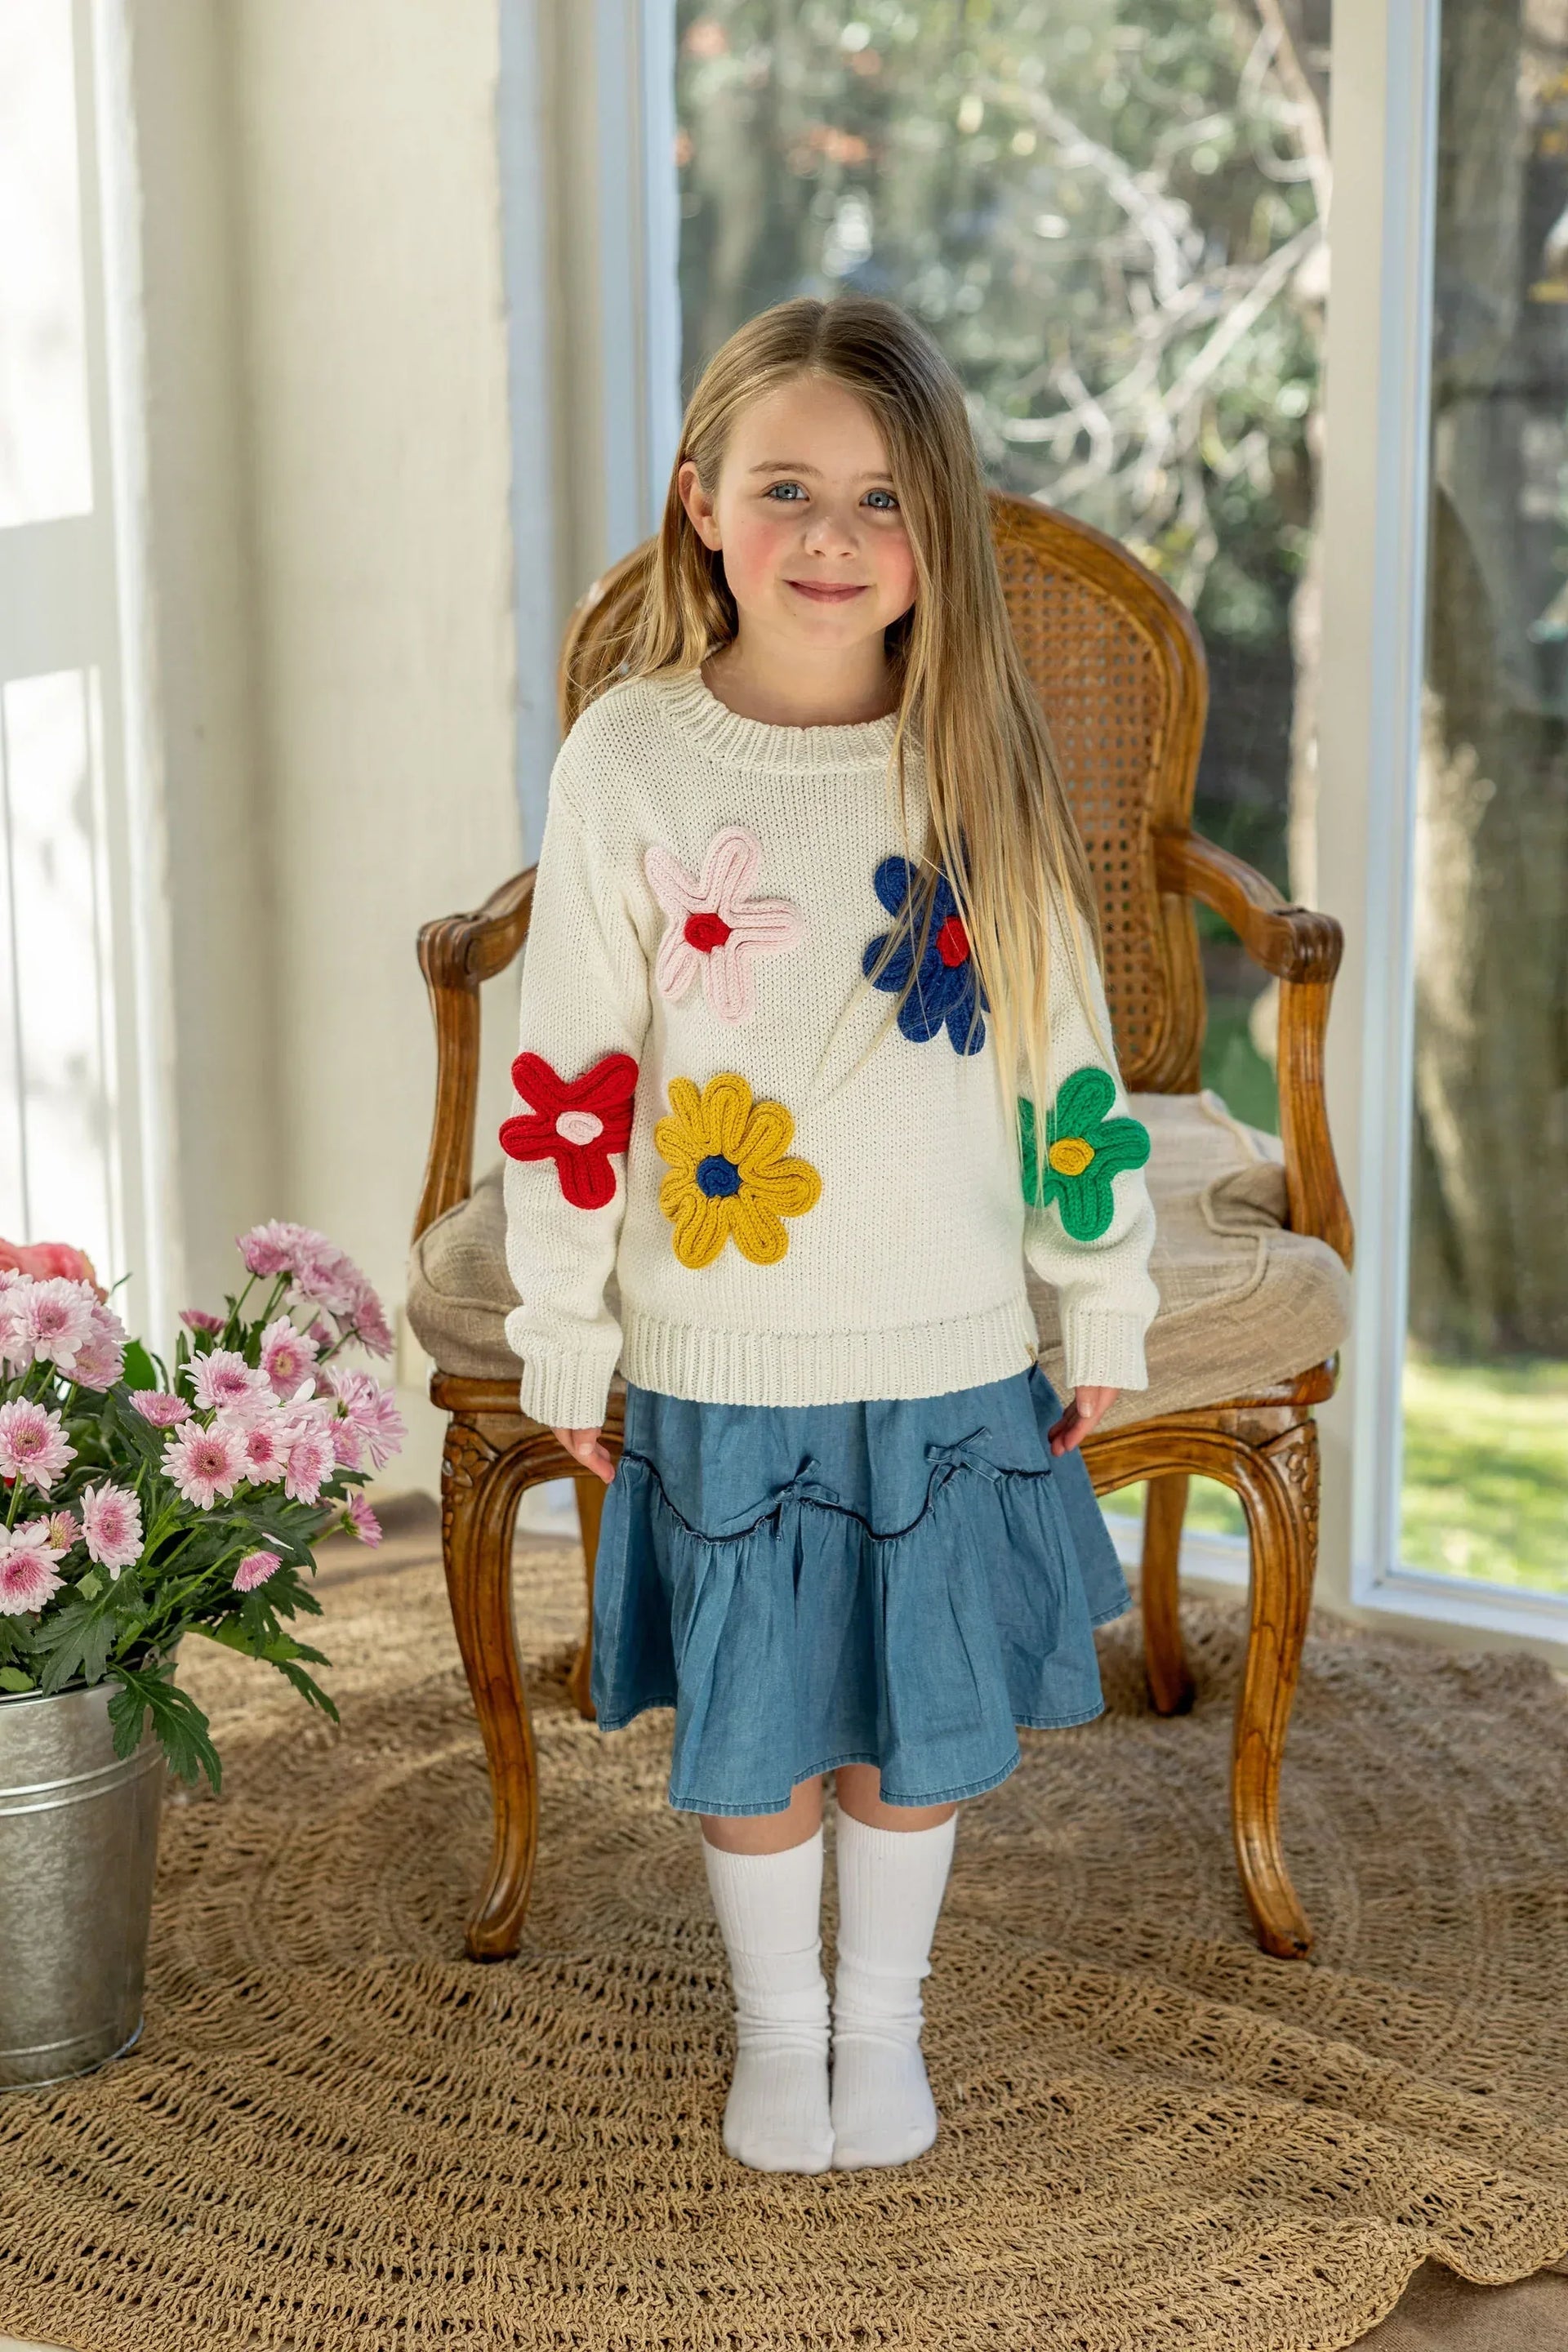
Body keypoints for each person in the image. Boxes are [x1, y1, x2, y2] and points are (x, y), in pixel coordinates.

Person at [499, 294, 1159, 2179]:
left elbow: (1067, 1063)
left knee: (905, 1712)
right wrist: (567, 1328)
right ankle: (779, 2030)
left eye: (884, 500)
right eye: (787, 488)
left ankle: (884, 2021)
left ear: (938, 532)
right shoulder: (630, 760)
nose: (832, 537)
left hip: (945, 1343)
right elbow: (571, 1080)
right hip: (722, 1353)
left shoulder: (974, 751)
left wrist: (1099, 1298)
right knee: (761, 1718)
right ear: (700, 502)